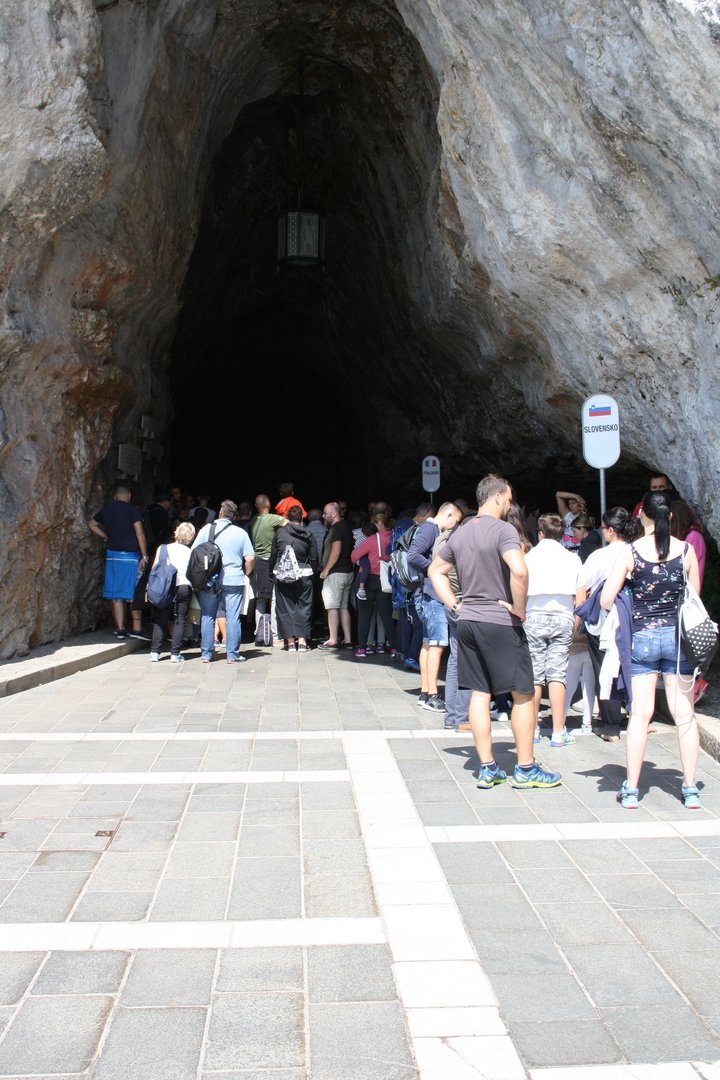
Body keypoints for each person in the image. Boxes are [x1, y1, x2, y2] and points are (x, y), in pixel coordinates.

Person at [429, 474, 562, 790]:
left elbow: (435, 571)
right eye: (509, 499)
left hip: (468, 621)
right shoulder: (504, 530)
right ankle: (526, 768)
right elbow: (519, 570)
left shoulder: (460, 533)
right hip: (500, 621)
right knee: (523, 693)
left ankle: (487, 767)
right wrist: (519, 608)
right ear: (498, 496)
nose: (510, 505)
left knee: (479, 692)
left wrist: (454, 603)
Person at [600, 491, 702, 809]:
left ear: (641, 514)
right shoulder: (686, 551)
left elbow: (605, 599)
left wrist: (631, 594)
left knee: (640, 714)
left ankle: (632, 790)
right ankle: (690, 789)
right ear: (669, 516)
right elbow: (694, 599)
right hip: (677, 639)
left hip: (643, 637)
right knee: (684, 714)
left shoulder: (630, 552)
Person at [575, 506, 637, 742]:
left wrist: (578, 621)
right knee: (637, 668)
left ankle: (610, 725)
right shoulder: (638, 551)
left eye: (602, 528)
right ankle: (638, 718)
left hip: (605, 620)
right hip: (634, 618)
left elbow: (581, 588)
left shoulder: (599, 556)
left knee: (605, 669)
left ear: (611, 530)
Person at [524, 513, 582, 746]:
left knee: (535, 676)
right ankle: (558, 732)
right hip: (563, 615)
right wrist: (575, 623)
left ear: (540, 533)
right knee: (558, 675)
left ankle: (532, 729)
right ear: (561, 534)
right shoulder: (573, 558)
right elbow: (581, 597)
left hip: (533, 615)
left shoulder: (528, 558)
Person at [408, 502, 463, 713]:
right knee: (438, 645)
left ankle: (425, 692)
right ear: (448, 515)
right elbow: (413, 555)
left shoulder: (428, 529)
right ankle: (432, 695)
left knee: (428, 644)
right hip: (433, 596)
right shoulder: (431, 529)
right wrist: (435, 569)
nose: (455, 525)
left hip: (426, 595)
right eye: (455, 520)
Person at [191, 500, 256, 664]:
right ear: (234, 517)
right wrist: (246, 573)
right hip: (234, 579)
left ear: (220, 513)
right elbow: (250, 558)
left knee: (208, 616)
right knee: (233, 617)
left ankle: (206, 654)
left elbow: (194, 553)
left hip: (210, 580)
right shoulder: (241, 533)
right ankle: (232, 655)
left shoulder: (207, 529)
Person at [88, 485, 150, 640]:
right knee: (134, 592)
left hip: (113, 556)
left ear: (115, 497)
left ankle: (120, 629)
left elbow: (91, 524)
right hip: (131, 556)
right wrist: (144, 555)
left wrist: (105, 536)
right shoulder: (132, 510)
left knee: (116, 594)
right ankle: (136, 628)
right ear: (129, 496)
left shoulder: (107, 510)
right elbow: (140, 533)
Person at [269, 506, 317, 650]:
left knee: (284, 608)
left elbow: (273, 555)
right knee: (304, 607)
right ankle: (302, 642)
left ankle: (290, 643)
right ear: (302, 518)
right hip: (304, 574)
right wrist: (313, 574)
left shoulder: (280, 533)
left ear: (287, 518)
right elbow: (314, 557)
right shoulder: (308, 534)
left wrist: (271, 573)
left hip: (282, 574)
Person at [149, 521, 195, 663]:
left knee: (160, 619)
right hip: (183, 586)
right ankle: (175, 654)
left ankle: (155, 652)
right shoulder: (191, 552)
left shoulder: (163, 548)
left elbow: (154, 569)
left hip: (165, 587)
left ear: (176, 532)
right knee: (180, 620)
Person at [350, 509, 393, 658]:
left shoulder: (373, 539)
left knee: (364, 615)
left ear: (380, 523)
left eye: (375, 522)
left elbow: (354, 556)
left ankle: (362, 648)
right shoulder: (394, 536)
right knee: (386, 615)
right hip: (385, 579)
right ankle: (394, 648)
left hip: (368, 579)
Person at [318, 502, 355, 649]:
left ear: (334, 514)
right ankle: (348, 639)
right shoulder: (347, 527)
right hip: (347, 572)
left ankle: (333, 640)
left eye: (325, 513)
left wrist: (326, 569)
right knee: (344, 607)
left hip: (336, 573)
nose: (323, 516)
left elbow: (336, 550)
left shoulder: (336, 529)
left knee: (332, 607)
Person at [250, 495, 287, 639]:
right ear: (269, 504)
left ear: (256, 506)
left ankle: (259, 633)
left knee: (260, 599)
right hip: (269, 563)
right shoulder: (272, 518)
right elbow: (290, 523)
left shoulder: (254, 520)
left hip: (257, 563)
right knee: (274, 599)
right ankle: (275, 633)